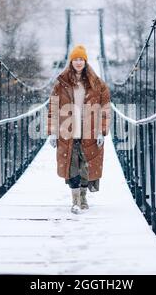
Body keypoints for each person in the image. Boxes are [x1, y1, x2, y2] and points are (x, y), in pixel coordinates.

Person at [47, 45, 111, 214]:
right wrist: (53, 132)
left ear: (85, 61)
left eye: (81, 59)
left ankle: (83, 197)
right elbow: (53, 107)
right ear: (71, 61)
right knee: (71, 167)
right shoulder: (60, 84)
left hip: (89, 131)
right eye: (75, 59)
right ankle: (75, 200)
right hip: (67, 131)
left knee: (86, 167)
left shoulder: (97, 84)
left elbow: (105, 108)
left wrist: (101, 131)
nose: (78, 62)